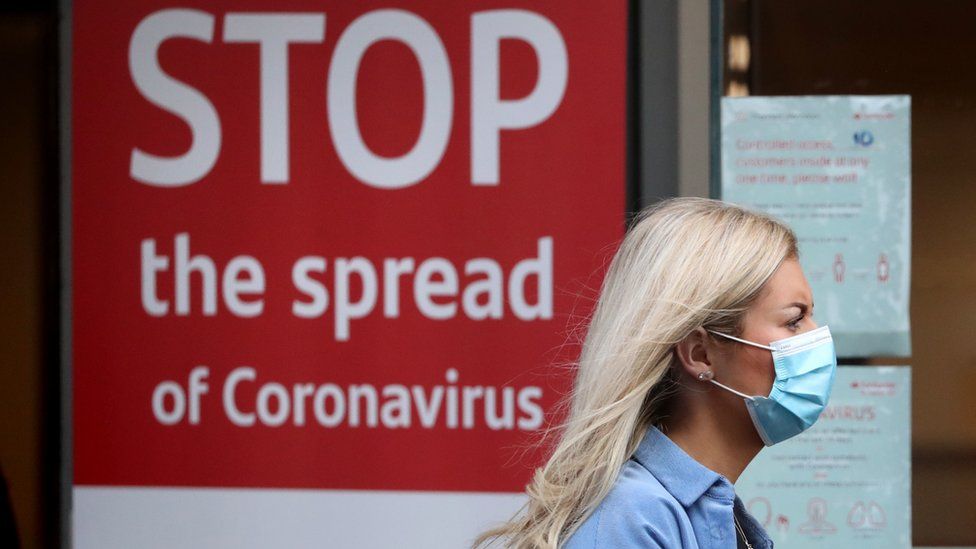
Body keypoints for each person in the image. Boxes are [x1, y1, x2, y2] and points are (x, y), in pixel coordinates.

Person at [474, 197, 836, 548]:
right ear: (700, 354)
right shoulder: (633, 521)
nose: (817, 337)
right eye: (794, 320)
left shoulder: (703, 515)